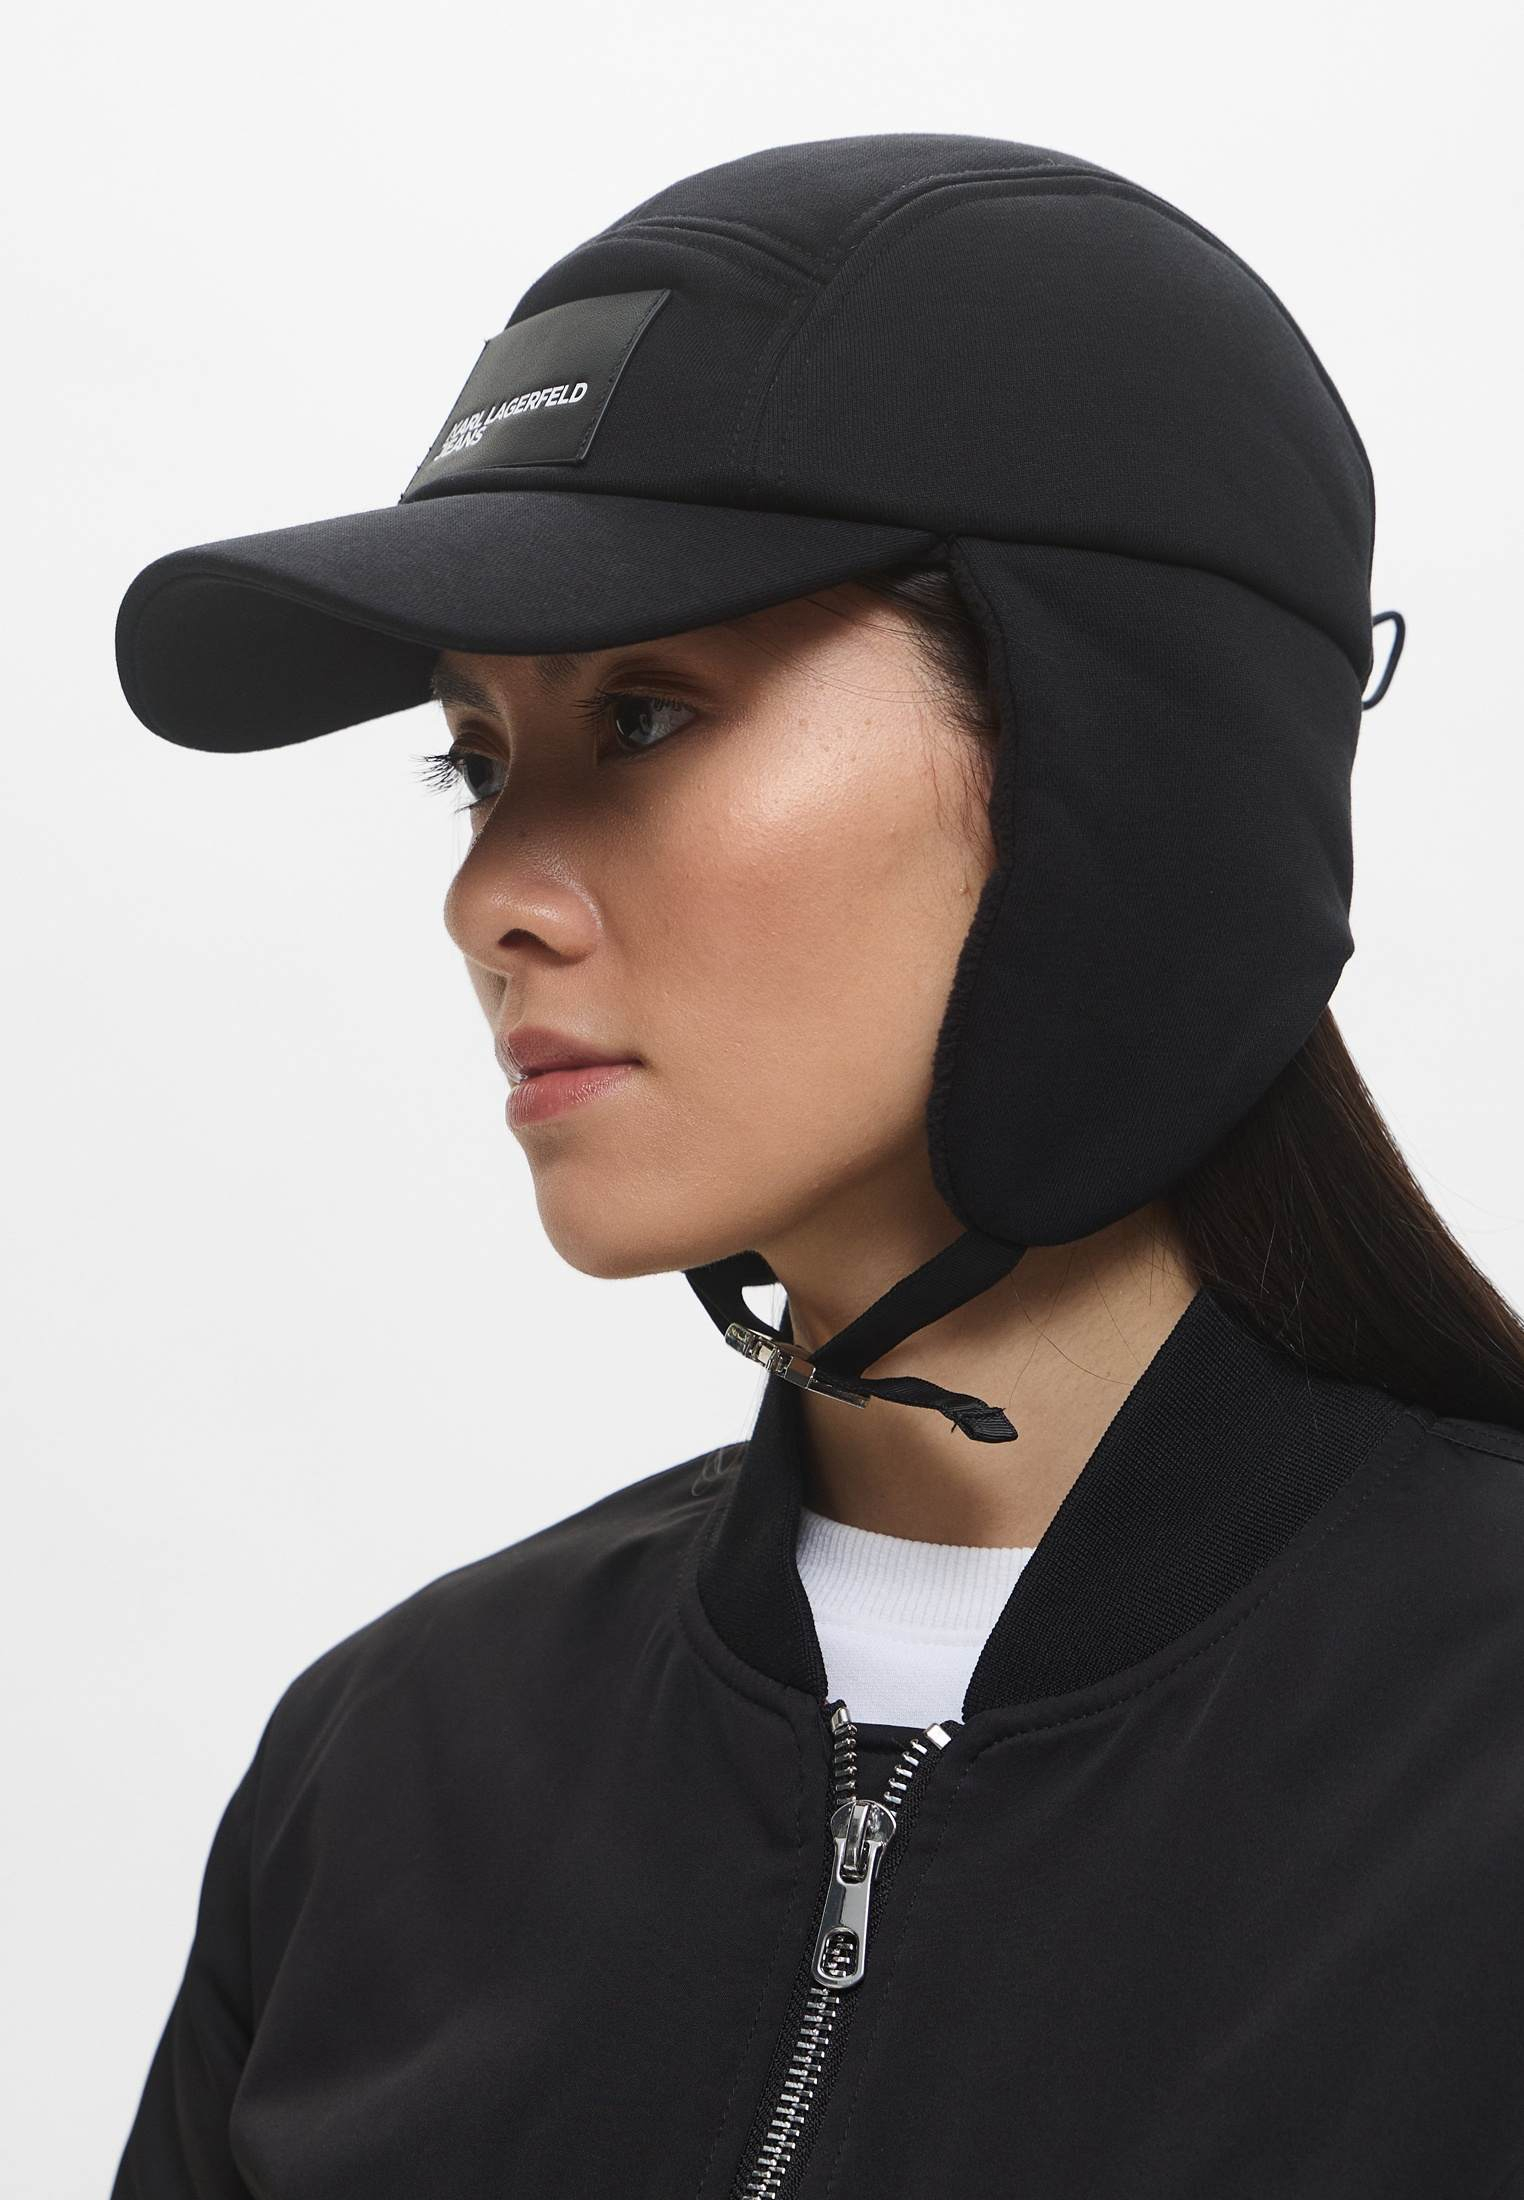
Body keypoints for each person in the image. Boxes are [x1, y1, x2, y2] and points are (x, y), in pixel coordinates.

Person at [108, 133, 1524, 2198]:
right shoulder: (386, 1771)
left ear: (1113, 762)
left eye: (645, 717)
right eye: (473, 759)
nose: (488, 898)